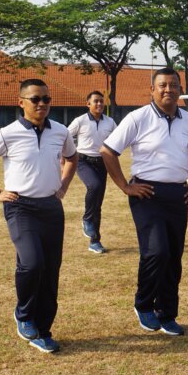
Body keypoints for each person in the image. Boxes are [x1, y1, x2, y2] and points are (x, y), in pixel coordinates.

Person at [100, 67, 188, 336]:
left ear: (180, 90)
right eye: (162, 85)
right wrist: (125, 186)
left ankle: (167, 313)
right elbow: (107, 151)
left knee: (174, 256)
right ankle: (143, 304)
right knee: (156, 251)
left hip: (178, 194)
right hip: (147, 194)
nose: (168, 90)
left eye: (173, 85)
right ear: (152, 90)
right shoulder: (138, 118)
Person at [0, 78, 77, 353]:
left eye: (46, 99)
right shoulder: (8, 133)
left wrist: (63, 185)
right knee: (32, 263)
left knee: (51, 271)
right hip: (21, 206)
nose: (42, 104)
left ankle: (43, 329)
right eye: (35, 99)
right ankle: (24, 315)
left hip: (51, 207)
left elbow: (72, 157)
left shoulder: (61, 132)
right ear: (21, 102)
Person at [67, 91, 117, 254]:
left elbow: (118, 138)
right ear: (88, 104)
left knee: (98, 204)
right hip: (83, 161)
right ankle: (87, 219)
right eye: (96, 101)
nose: (99, 104)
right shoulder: (80, 121)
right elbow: (65, 137)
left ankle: (95, 241)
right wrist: (64, 158)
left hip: (102, 163)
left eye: (102, 101)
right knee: (93, 186)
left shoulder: (110, 122)